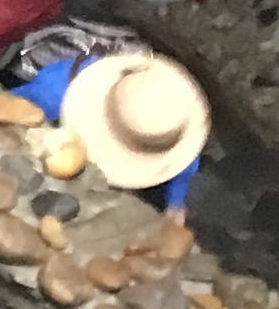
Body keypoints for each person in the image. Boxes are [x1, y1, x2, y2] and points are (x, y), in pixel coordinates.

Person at [19, 47, 210, 215]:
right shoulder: (54, 91)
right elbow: (9, 105)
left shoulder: (171, 121)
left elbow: (186, 164)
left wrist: (175, 204)